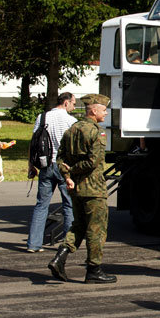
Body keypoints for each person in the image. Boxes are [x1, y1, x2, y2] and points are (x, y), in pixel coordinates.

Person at [47, 94, 116, 284]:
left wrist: (68, 176)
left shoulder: (72, 129)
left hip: (75, 188)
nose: (106, 114)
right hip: (93, 189)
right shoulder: (97, 132)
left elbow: (60, 158)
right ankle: (94, 269)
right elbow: (93, 162)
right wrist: (74, 171)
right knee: (97, 230)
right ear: (93, 111)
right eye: (103, 110)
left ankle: (59, 257)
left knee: (78, 226)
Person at [27, 93, 77, 253]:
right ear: (66, 102)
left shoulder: (42, 117)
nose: (74, 107)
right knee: (69, 205)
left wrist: (31, 165)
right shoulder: (71, 121)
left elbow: (33, 142)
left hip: (45, 164)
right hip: (64, 166)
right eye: (74, 104)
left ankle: (33, 244)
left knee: (41, 205)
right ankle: (68, 244)